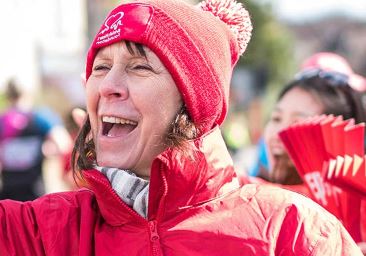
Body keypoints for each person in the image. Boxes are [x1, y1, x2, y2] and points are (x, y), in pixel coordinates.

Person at [0, 0, 362, 255]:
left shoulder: (294, 229)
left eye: (140, 67)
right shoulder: (41, 232)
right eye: (100, 67)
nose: (108, 85)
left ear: (193, 99)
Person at [0, 79, 72, 201]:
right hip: (34, 190)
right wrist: (43, 150)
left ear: (8, 96)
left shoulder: (3, 120)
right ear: (28, 94)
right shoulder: (41, 117)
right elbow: (64, 144)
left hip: (8, 191)